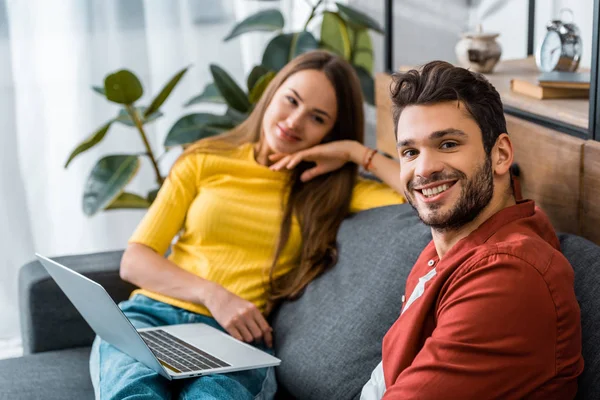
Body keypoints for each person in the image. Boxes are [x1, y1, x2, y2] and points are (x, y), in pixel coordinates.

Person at [89, 50, 405, 400]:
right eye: (291, 100)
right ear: (271, 93)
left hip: (236, 340)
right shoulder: (205, 158)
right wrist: (213, 294)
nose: (295, 121)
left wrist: (356, 154)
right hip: (151, 315)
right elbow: (135, 261)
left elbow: (423, 196)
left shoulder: (332, 190)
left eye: (317, 118)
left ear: (332, 131)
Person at [360, 61, 584, 399]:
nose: (425, 168)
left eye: (448, 144)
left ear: (501, 154)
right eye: (410, 151)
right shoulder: (450, 247)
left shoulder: (509, 275)